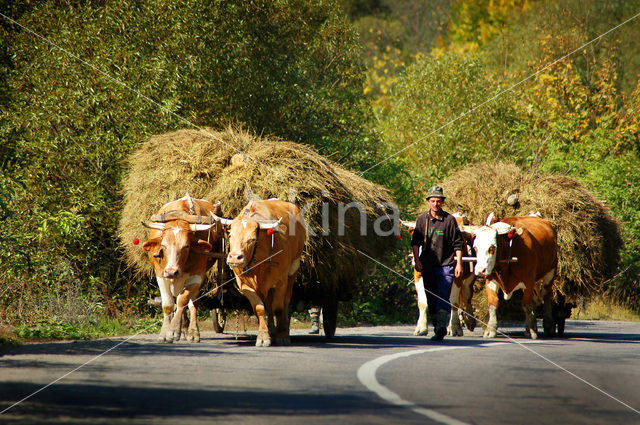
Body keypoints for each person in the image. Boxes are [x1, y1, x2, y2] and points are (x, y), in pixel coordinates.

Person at [411, 185, 464, 341]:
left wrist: (459, 264)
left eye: (439, 201)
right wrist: (417, 260)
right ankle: (437, 327)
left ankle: (441, 327)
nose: (436, 204)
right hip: (427, 265)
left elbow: (458, 243)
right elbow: (415, 242)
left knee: (442, 295)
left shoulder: (449, 220)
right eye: (433, 201)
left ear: (442, 202)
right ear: (428, 201)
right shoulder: (422, 220)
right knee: (431, 297)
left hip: (446, 265)